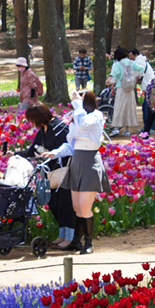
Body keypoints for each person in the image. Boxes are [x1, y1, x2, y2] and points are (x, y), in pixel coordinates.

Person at [51, 89, 109, 254]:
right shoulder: (78, 116)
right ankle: (76, 241)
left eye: (80, 99)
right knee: (76, 206)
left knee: (84, 206)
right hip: (76, 161)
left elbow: (85, 124)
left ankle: (88, 243)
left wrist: (77, 104)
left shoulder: (96, 116)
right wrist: (55, 152)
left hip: (90, 161)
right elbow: (71, 143)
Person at [22, 104, 75, 249]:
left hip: (64, 171)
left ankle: (70, 238)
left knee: (66, 205)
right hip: (50, 174)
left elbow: (69, 148)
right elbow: (32, 151)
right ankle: (62, 235)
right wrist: (14, 154)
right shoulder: (42, 131)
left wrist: (54, 153)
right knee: (53, 204)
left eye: (32, 119)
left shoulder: (59, 128)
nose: (31, 123)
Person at [109, 48, 140, 137]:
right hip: (130, 89)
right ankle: (127, 129)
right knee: (129, 108)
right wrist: (136, 78)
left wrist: (112, 86)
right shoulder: (132, 63)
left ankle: (116, 128)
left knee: (119, 107)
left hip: (121, 87)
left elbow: (115, 76)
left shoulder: (118, 64)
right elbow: (141, 69)